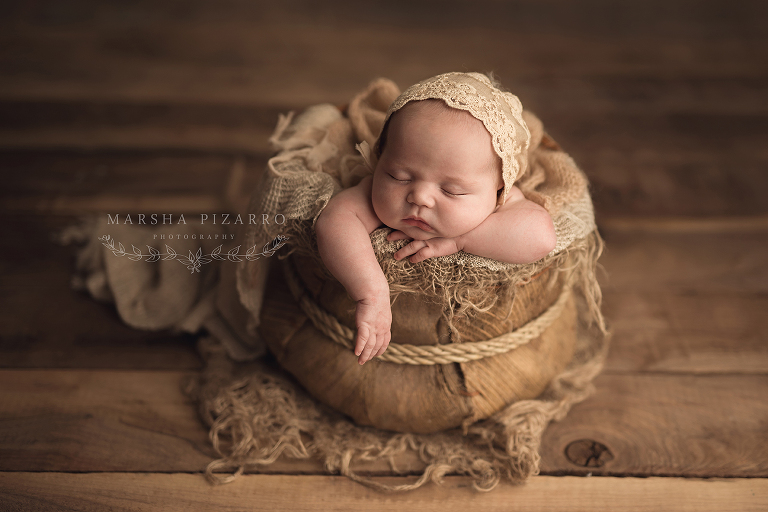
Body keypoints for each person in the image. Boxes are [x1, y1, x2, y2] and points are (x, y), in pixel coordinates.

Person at [315, 72, 557, 365]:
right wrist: (371, 293)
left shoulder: (503, 202)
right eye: (398, 175)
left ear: (498, 189)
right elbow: (333, 222)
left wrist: (460, 239)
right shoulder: (370, 192)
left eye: (452, 191)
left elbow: (542, 236)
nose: (420, 198)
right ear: (380, 160)